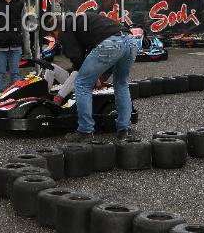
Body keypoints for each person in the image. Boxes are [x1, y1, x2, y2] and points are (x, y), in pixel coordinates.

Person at [49, 10, 139, 142]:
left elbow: (76, 56)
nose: (56, 39)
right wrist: (100, 77)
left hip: (110, 43)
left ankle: (85, 131)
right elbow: (101, 55)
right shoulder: (83, 24)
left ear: (55, 29)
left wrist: (92, 77)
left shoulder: (65, 28)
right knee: (121, 84)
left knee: (81, 84)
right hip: (130, 41)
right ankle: (124, 129)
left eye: (53, 35)